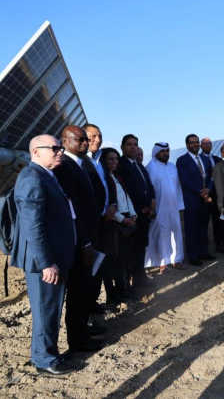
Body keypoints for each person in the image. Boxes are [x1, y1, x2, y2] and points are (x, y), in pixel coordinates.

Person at [11, 135, 77, 374]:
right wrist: (46, 263)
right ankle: (44, 359)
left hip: (53, 256)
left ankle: (48, 353)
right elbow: (33, 226)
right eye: (55, 148)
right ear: (36, 152)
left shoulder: (46, 175)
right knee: (45, 309)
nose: (60, 152)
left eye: (60, 148)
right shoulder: (32, 177)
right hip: (44, 260)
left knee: (50, 307)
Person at [53, 125, 103, 352]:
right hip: (79, 240)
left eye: (86, 139)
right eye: (80, 139)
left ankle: (82, 330)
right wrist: (85, 242)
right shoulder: (65, 166)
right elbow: (73, 210)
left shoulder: (81, 164)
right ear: (65, 141)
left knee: (84, 288)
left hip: (88, 235)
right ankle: (78, 339)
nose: (85, 143)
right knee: (77, 290)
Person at [83, 123, 115, 315]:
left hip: (105, 221)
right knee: (88, 267)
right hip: (89, 223)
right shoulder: (80, 161)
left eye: (99, 136)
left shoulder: (100, 160)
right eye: (92, 136)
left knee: (100, 263)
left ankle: (93, 302)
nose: (97, 140)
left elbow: (107, 184)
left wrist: (112, 205)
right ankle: (86, 308)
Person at [117, 134, 156, 287]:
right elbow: (126, 192)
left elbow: (148, 186)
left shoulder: (138, 165)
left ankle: (140, 279)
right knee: (130, 252)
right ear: (122, 147)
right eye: (129, 144)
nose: (133, 147)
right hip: (132, 216)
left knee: (140, 248)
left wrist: (151, 203)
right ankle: (129, 285)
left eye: (135, 144)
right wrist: (141, 208)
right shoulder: (121, 165)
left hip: (145, 215)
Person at [100, 147, 137, 302]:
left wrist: (133, 214)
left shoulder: (116, 177)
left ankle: (125, 289)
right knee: (115, 261)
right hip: (114, 223)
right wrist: (123, 219)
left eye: (116, 159)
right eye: (111, 159)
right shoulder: (104, 179)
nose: (115, 162)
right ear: (103, 161)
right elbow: (108, 206)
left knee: (125, 259)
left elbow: (126, 197)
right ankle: (115, 294)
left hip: (126, 219)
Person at [144, 143, 185, 273]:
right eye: (162, 151)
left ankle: (176, 259)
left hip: (174, 206)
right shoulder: (150, 167)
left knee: (176, 232)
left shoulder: (173, 167)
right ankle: (162, 261)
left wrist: (180, 205)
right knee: (161, 233)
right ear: (156, 153)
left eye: (167, 151)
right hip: (159, 207)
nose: (165, 154)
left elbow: (178, 187)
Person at [176, 134, 215, 265]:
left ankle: (204, 252)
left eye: (197, 142)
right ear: (187, 145)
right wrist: (200, 191)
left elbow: (211, 176)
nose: (195, 144)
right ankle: (193, 256)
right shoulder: (182, 160)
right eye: (192, 142)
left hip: (205, 199)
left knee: (203, 227)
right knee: (192, 229)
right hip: (191, 200)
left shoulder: (204, 159)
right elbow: (185, 180)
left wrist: (208, 189)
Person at [200, 137, 223, 251]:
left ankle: (219, 244)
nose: (207, 145)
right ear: (201, 146)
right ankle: (204, 248)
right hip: (206, 196)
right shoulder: (199, 159)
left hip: (218, 195)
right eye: (205, 144)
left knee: (218, 220)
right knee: (204, 222)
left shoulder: (217, 159)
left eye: (209, 143)